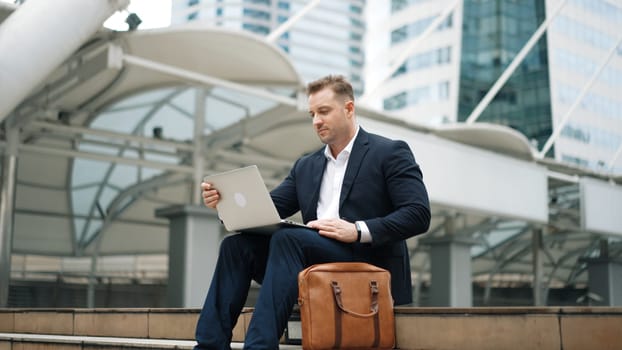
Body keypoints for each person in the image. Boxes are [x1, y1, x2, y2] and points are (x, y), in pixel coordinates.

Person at [195, 74, 430, 350]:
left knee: (288, 238)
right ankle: (209, 345)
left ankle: (259, 346)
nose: (316, 120)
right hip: (310, 258)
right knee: (236, 246)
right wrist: (224, 203)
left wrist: (356, 230)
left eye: (324, 111)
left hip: (365, 261)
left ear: (349, 109)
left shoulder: (389, 152)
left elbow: (418, 213)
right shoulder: (306, 166)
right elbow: (266, 210)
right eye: (312, 113)